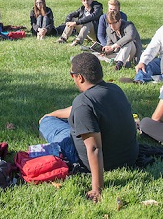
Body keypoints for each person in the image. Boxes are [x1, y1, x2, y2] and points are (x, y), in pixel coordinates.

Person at [39, 53, 138, 203]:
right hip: (128, 157)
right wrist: (53, 113)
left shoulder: (83, 103)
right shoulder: (114, 90)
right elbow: (76, 109)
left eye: (72, 74)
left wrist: (97, 189)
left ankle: (47, 123)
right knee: (54, 118)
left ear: (80, 77)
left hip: (90, 159)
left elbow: (94, 149)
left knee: (47, 123)